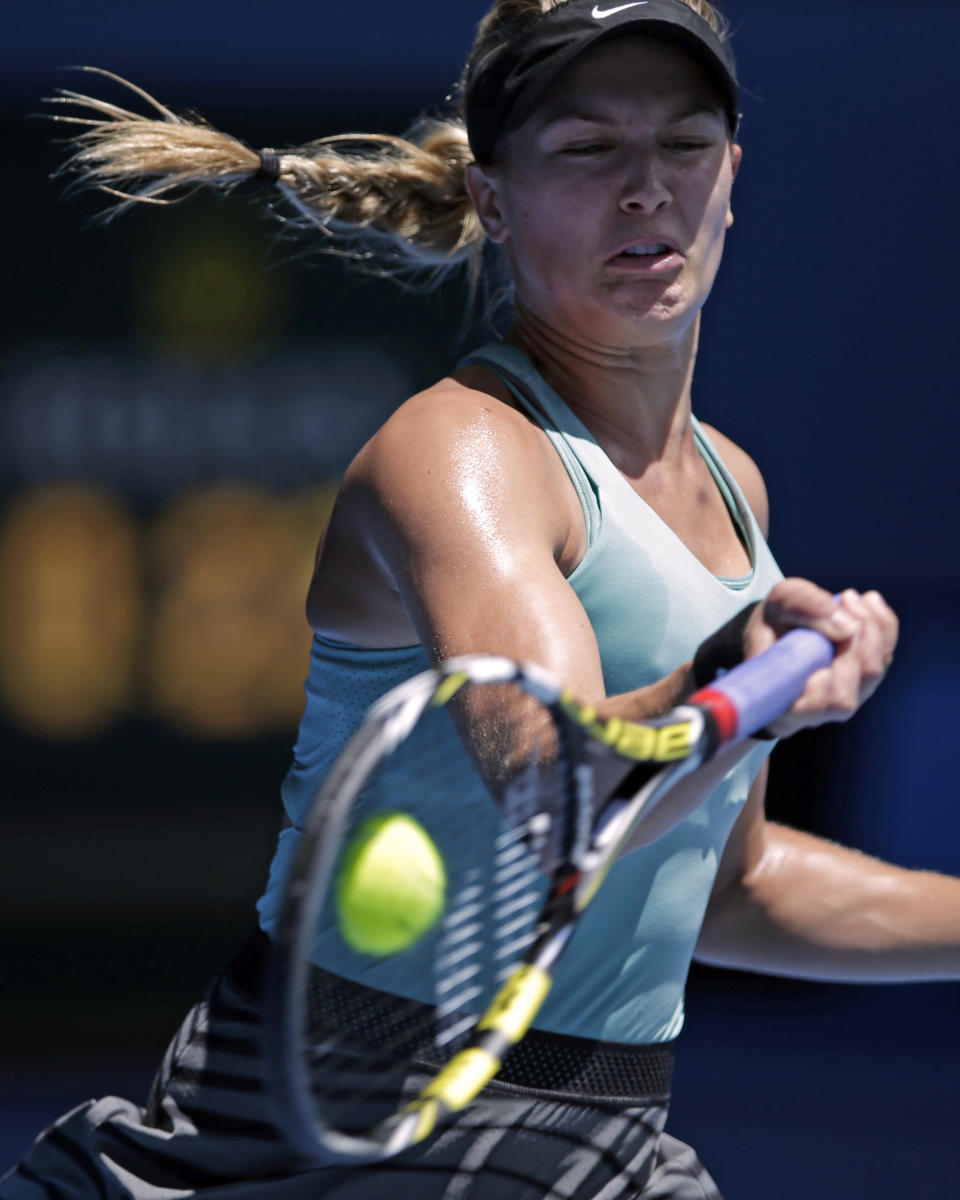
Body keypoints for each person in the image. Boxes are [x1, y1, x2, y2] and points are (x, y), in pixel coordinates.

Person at [7, 0, 955, 1196]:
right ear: (493, 198)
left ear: (733, 177)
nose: (645, 189)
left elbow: (731, 886)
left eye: (683, 143)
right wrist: (736, 681)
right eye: (585, 150)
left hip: (598, 1137)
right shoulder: (458, 453)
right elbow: (556, 788)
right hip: (333, 1111)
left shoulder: (735, 487)